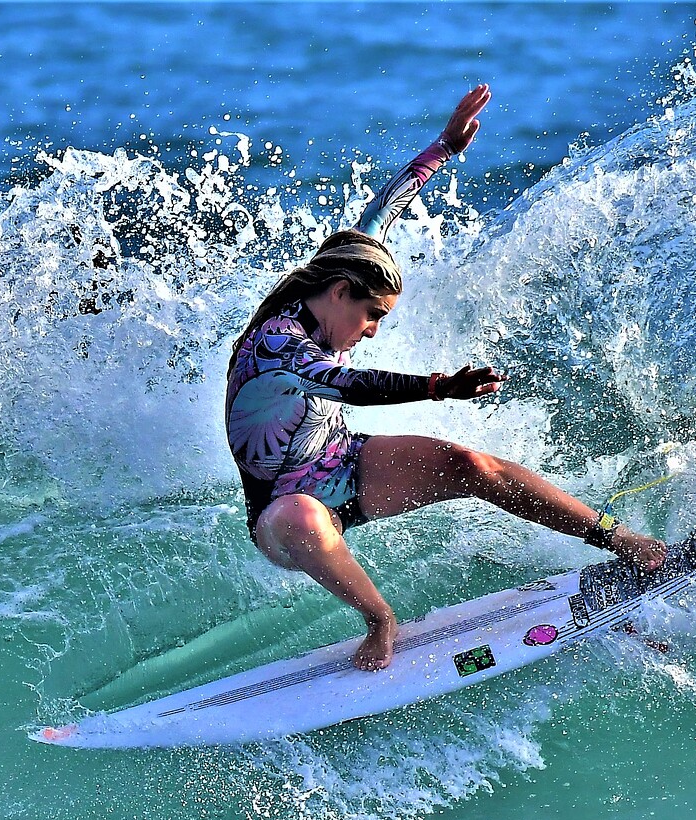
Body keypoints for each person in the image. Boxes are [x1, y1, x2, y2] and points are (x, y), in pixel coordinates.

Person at [225, 85, 667, 672]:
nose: (373, 330)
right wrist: (439, 386)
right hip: (283, 513)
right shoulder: (277, 344)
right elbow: (354, 387)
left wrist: (445, 147)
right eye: (372, 315)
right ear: (339, 293)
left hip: (343, 466)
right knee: (304, 516)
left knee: (470, 465)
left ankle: (620, 540)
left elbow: (382, 213)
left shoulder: (342, 278)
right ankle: (380, 620)